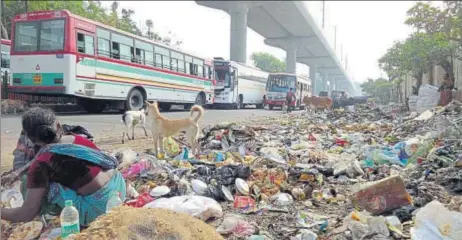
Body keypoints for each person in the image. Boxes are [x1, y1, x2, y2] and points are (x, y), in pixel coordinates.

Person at [1, 107, 126, 226]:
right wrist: (18, 172)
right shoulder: (76, 139)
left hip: (100, 210)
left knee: (39, 184)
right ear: (58, 126)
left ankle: (51, 215)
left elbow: (24, 215)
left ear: (31, 139)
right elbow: (45, 152)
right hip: (119, 189)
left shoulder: (41, 165)